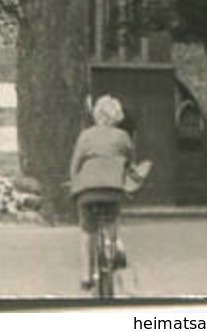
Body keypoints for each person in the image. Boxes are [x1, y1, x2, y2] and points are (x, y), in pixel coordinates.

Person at [69, 94, 134, 289]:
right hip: (113, 190)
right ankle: (112, 253)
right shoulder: (123, 137)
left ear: (96, 115)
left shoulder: (86, 135)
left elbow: (75, 165)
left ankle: (86, 275)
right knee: (112, 224)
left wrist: (73, 183)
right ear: (117, 116)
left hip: (87, 192)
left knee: (87, 232)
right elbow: (129, 163)